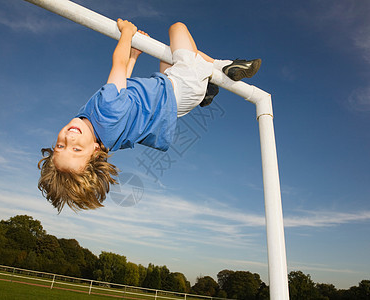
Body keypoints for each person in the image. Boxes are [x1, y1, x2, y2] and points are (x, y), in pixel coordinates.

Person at [38, 19, 261, 212]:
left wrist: (134, 54)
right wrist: (127, 33)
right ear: (94, 152)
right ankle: (221, 70)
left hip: (173, 99)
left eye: (60, 146)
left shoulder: (106, 139)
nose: (69, 139)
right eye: (76, 149)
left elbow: (121, 85)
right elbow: (118, 64)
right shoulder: (105, 113)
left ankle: (212, 82)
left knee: (168, 52)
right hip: (181, 87)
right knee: (177, 29)